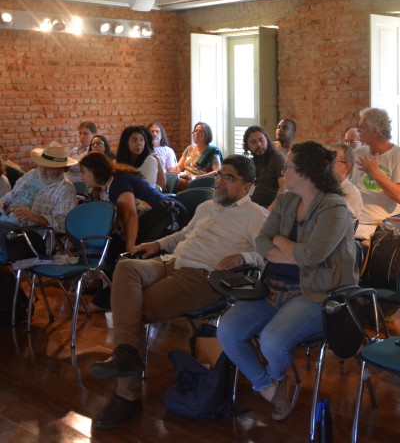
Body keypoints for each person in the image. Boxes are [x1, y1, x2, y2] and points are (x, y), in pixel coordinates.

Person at [89, 155, 269, 430]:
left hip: (202, 275)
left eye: (229, 178)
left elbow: (266, 256)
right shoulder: (208, 205)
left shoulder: (255, 215)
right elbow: (184, 235)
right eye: (220, 175)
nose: (220, 181)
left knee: (134, 309)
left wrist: (242, 257)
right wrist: (157, 242)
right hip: (171, 262)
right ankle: (126, 352)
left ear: (247, 187)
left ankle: (127, 395)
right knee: (126, 268)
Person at [217, 141, 357, 421]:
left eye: (288, 168)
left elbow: (310, 256)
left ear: (304, 173)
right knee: (228, 330)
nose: (283, 172)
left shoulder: (334, 208)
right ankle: (268, 386)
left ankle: (271, 377)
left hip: (317, 293)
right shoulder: (286, 200)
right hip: (273, 287)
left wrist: (281, 243)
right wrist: (294, 252)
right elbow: (261, 243)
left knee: (271, 342)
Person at [79, 152, 177, 254]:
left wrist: (129, 251)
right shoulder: (102, 189)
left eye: (83, 172)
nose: (81, 177)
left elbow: (130, 216)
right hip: (149, 226)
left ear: (94, 170)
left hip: (167, 221)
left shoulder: (118, 182)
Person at [0, 142, 78, 252]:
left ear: (62, 169)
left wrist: (34, 217)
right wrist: (2, 204)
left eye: (49, 168)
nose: (43, 171)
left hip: (30, 234)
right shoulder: (31, 174)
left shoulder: (65, 189)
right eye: (41, 165)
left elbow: (63, 224)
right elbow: (12, 194)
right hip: (6, 221)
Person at [351, 108, 400, 240]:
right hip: (354, 223)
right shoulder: (357, 153)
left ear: (375, 131)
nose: (358, 130)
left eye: (362, 127)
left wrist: (375, 174)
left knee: (360, 249)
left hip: (383, 226)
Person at [243, 125, 285, 208]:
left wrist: (270, 210)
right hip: (252, 208)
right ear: (247, 146)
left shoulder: (277, 158)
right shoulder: (251, 163)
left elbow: (284, 189)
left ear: (266, 139)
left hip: (269, 209)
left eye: (261, 140)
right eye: (253, 142)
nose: (258, 144)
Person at [173, 122, 222, 189]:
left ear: (207, 135)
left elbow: (217, 172)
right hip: (186, 177)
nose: (197, 134)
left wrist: (197, 177)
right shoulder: (189, 148)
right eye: (195, 131)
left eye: (200, 132)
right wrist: (175, 171)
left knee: (175, 182)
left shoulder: (213, 151)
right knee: (170, 179)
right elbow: (179, 167)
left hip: (200, 180)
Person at [115, 126, 165, 191]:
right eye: (134, 140)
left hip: (145, 198)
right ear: (125, 142)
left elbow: (146, 188)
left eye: (141, 140)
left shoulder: (150, 161)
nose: (139, 143)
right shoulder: (121, 160)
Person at [330, 143, 363, 220]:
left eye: (331, 160)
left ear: (347, 167)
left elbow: (335, 223)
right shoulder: (320, 188)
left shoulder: (351, 194)